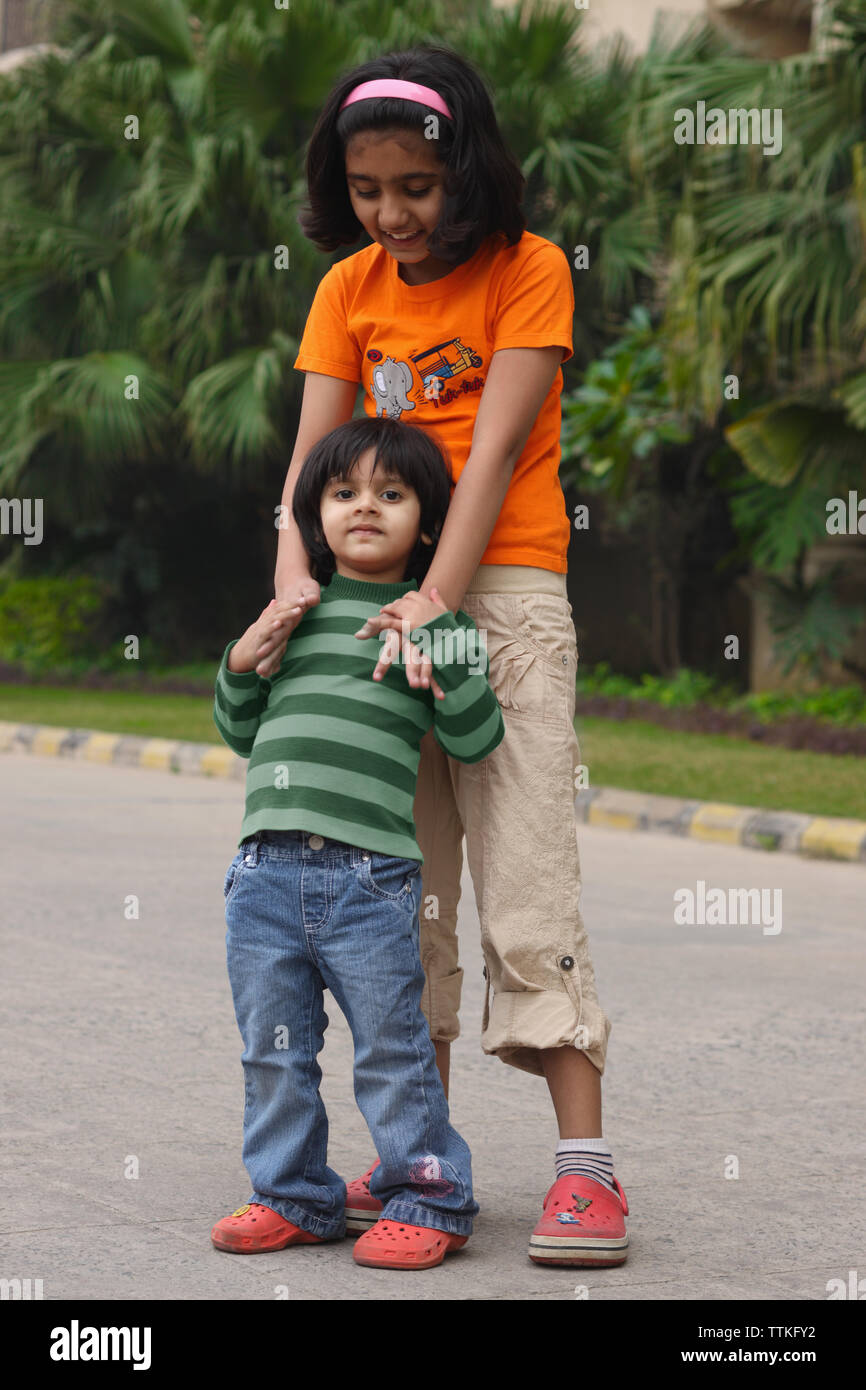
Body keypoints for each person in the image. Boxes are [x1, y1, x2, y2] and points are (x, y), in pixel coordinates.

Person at [259, 43, 629, 1267]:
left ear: (464, 169)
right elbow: (314, 472)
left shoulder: (527, 274)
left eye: (415, 187)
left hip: (503, 595)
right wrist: (293, 586)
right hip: (375, 606)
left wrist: (439, 600)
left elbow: (488, 461)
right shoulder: (345, 287)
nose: (392, 215)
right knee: (394, 895)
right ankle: (421, 1157)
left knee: (524, 883)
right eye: (368, 191)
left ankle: (585, 1172)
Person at [211, 415, 504, 1271]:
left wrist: (440, 653)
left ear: (428, 520)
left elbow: (476, 738)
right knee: (273, 1050)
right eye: (343, 494)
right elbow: (239, 730)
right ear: (313, 516)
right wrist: (239, 661)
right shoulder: (292, 612)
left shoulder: (434, 622)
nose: (364, 508)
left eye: (391, 493)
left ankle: (430, 1196)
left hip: (368, 877)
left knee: (391, 1048)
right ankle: (292, 1194)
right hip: (262, 870)